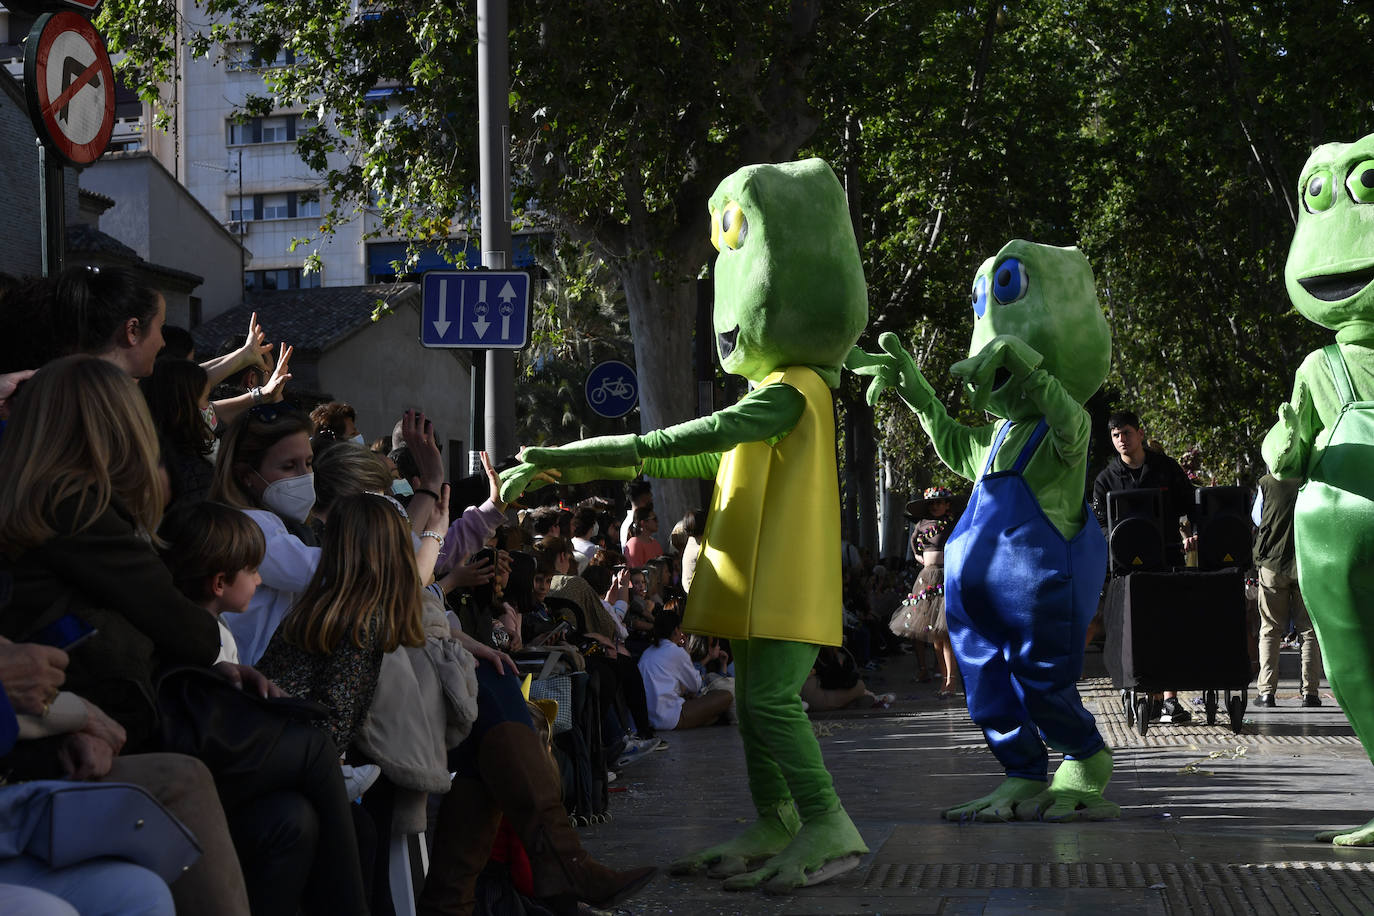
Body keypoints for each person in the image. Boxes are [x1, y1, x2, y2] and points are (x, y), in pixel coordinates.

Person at [1091, 409, 1196, 724]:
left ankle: (1170, 701)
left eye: (1126, 433)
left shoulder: (1165, 469)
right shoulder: (1105, 479)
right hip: (1125, 571)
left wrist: (1192, 534)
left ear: (1139, 433)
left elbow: (1190, 505)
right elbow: (1098, 523)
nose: (1122, 440)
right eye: (1115, 435)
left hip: (1166, 562)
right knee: (1134, 633)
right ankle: (1142, 695)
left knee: (1168, 629)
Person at [1251, 474, 1322, 708]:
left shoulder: (1266, 483)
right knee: (1308, 630)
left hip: (1272, 563)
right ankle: (1310, 694)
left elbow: (1257, 517)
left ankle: (1266, 693)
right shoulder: (1311, 480)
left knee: (1270, 629)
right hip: (1306, 563)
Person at [890, 487, 964, 698]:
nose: (935, 506)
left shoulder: (952, 523)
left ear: (947, 504)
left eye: (939, 503)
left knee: (946, 634)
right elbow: (914, 544)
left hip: (946, 577)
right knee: (935, 637)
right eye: (932, 504)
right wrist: (919, 558)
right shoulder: (922, 524)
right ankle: (943, 680)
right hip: (926, 578)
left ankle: (951, 681)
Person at [638, 610, 733, 730]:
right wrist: (686, 653)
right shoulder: (676, 651)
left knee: (711, 713)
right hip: (669, 718)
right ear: (676, 630)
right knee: (726, 696)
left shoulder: (647, 652)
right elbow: (695, 686)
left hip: (652, 718)